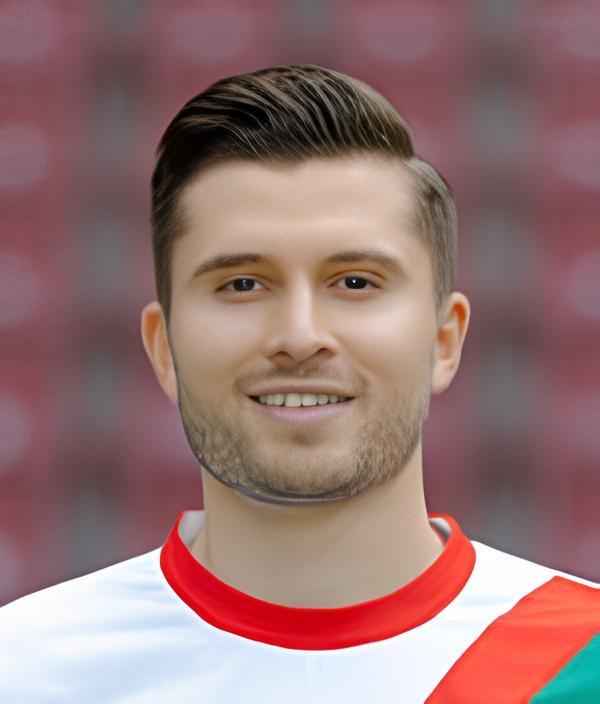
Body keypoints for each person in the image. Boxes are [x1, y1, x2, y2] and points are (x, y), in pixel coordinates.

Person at [1, 64, 598, 703]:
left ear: (444, 341)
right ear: (164, 348)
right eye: (242, 284)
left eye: (356, 282)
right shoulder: (24, 670)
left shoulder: (582, 666)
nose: (300, 334)